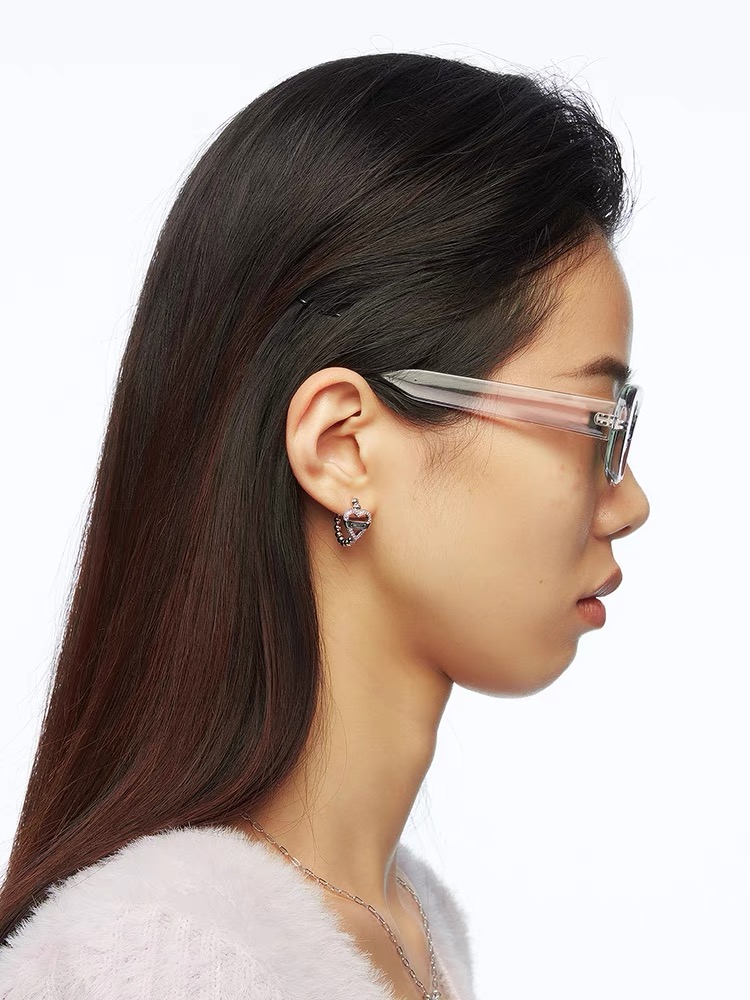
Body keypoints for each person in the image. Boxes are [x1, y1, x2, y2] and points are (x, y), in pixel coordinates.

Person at [0, 50, 649, 999]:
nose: (629, 502)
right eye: (595, 425)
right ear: (342, 447)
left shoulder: (408, 927)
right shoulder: (161, 962)